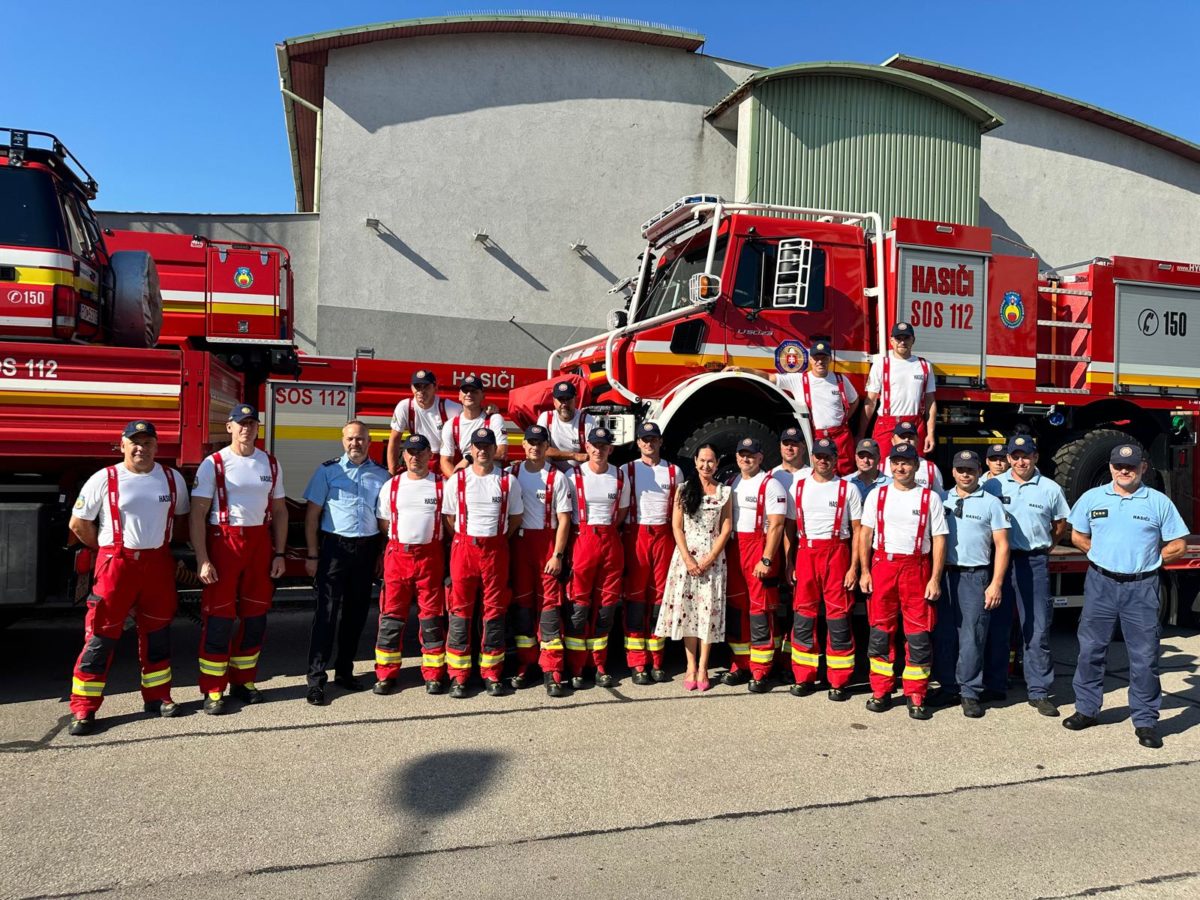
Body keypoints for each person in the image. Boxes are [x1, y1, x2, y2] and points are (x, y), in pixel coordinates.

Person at [65, 421, 190, 736]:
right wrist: (108, 550)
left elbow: (182, 522)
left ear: (157, 447)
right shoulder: (104, 479)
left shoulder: (172, 478)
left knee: (157, 632)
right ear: (122, 445)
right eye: (134, 442)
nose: (141, 448)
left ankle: (158, 697)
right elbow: (78, 525)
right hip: (116, 565)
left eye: (147, 442)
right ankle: (84, 709)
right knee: (101, 636)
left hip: (158, 564)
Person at [1064, 443, 1188, 749]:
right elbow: (1077, 534)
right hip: (1100, 583)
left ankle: (1145, 720)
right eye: (1119, 466)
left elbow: (1179, 544)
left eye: (1131, 467)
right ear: (1110, 467)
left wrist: (1152, 560)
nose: (1124, 471)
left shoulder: (1158, 502)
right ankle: (1087, 709)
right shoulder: (1092, 498)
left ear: (1143, 468)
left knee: (1145, 657)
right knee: (1091, 649)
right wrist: (1098, 553)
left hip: (1142, 587)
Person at [190, 404, 287, 714]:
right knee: (219, 620)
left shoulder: (269, 463)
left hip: (260, 545)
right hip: (224, 544)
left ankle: (244, 681)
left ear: (258, 428)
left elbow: (281, 511)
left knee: (255, 618)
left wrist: (281, 553)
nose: (247, 428)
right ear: (229, 427)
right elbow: (197, 514)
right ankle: (213, 689)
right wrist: (202, 559)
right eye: (240, 423)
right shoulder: (214, 464)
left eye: (252, 423)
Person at [857, 441, 948, 720]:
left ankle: (916, 693)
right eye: (896, 462)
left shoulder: (929, 498)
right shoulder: (877, 495)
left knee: (918, 634)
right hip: (883, 565)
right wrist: (864, 571)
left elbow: (939, 539)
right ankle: (881, 690)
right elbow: (865, 534)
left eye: (906, 463)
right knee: (880, 632)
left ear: (916, 466)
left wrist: (934, 578)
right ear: (889, 465)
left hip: (917, 568)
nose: (900, 467)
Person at [302, 421, 389, 705]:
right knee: (325, 615)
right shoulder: (328, 471)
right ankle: (316, 680)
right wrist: (313, 555)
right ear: (343, 441)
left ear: (369, 441)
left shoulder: (382, 476)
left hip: (366, 551)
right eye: (351, 439)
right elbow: (312, 515)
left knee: (356, 615)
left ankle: (344, 671)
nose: (356, 444)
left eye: (361, 439)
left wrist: (379, 554)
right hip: (334, 549)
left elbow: (385, 520)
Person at [986, 435, 1071, 716]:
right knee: (997, 626)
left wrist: (1048, 546)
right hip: (1001, 563)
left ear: (1035, 457)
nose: (1021, 461)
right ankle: (995, 684)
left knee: (1036, 627)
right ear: (1008, 458)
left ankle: (1039, 691)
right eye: (1015, 456)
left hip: (1032, 562)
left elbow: (1060, 525)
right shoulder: (993, 485)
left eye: (1026, 455)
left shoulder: (1050, 488)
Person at [442, 427, 523, 698]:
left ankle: (491, 672)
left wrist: (495, 541)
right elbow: (450, 519)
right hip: (464, 548)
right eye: (477, 446)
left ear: (494, 449)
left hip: (496, 550)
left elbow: (515, 519)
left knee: (494, 612)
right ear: (471, 449)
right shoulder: (458, 479)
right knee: (460, 611)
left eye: (487, 446)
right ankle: (459, 675)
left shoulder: (507, 481)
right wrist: (468, 541)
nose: (482, 450)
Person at [930, 450, 1010, 718]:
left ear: (979, 472)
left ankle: (970, 691)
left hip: (975, 576)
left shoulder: (991, 503)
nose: (966, 474)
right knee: (944, 634)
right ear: (952, 471)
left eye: (971, 470)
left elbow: (1002, 545)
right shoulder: (941, 499)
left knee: (972, 636)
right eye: (960, 469)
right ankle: (948, 686)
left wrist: (996, 583)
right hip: (944, 575)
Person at [787, 437, 862, 701]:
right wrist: (789, 562)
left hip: (837, 553)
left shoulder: (847, 489)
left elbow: (858, 531)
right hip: (806, 552)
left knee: (838, 617)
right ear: (813, 458)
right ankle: (803, 677)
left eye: (828, 456)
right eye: (818, 456)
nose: (823, 460)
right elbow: (789, 528)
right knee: (804, 617)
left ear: (835, 458)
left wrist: (854, 567)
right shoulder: (799, 487)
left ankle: (839, 680)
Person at [374, 433, 448, 696]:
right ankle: (385, 674)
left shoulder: (442, 485)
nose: (415, 457)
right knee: (392, 617)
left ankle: (434, 674)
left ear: (430, 455)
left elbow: (450, 522)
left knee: (431, 618)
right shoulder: (391, 486)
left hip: (431, 557)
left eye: (420, 452)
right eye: (410, 452)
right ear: (403, 455)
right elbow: (384, 523)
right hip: (398, 556)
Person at [656, 444, 733, 691]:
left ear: (717, 464)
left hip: (713, 560)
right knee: (689, 612)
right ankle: (690, 665)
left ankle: (703, 667)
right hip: (686, 559)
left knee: (707, 614)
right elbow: (677, 526)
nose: (706, 466)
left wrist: (710, 558)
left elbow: (726, 528)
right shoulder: (683, 489)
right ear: (696, 461)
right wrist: (688, 558)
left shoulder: (725, 492)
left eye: (711, 461)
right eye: (702, 461)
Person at [508, 424, 574, 697]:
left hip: (547, 545)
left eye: (540, 442)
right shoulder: (512, 473)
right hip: (520, 546)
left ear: (548, 447)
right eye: (530, 442)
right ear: (523, 445)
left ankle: (553, 670)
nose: (535, 447)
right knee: (523, 607)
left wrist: (557, 556)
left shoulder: (557, 478)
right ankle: (527, 664)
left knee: (548, 610)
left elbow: (565, 520)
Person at [565, 426, 630, 688]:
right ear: (587, 447)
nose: (599, 450)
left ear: (610, 449)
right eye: (594, 445)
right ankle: (577, 665)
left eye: (604, 446)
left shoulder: (619, 476)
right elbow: (564, 514)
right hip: (583, 538)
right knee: (579, 605)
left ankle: (599, 664)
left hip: (610, 540)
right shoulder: (572, 476)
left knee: (605, 607)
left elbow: (622, 512)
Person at [725, 436, 788, 692]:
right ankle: (740, 663)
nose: (745, 458)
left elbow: (777, 525)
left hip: (758, 550)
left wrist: (767, 558)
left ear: (761, 457)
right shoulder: (733, 482)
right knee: (737, 609)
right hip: (734, 548)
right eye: (742, 454)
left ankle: (762, 669)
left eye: (751, 454)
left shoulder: (771, 485)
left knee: (760, 611)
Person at [622, 422, 679, 685]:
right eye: (644, 440)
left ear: (660, 442)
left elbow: (678, 511)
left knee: (659, 598)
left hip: (664, 535)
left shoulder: (674, 471)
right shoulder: (627, 470)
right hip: (637, 535)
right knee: (635, 598)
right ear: (638, 443)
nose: (649, 444)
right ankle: (637, 662)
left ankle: (657, 660)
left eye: (653, 439)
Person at [776, 341, 860, 475]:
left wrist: (845, 419)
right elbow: (769, 377)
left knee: (846, 474)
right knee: (821, 474)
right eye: (816, 358)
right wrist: (743, 370)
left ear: (830, 359)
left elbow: (854, 401)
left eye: (824, 358)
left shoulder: (840, 379)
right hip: (817, 436)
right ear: (810, 360)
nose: (820, 362)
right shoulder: (798, 380)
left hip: (841, 437)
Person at [767, 425, 810, 679]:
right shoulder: (771, 476)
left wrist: (792, 558)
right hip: (776, 544)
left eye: (794, 443)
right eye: (785, 443)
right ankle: (771, 657)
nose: (789, 447)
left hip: (801, 545)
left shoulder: (811, 474)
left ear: (803, 447)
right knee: (774, 605)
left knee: (798, 607)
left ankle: (791, 661)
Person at [862, 322, 937, 455]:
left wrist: (930, 433)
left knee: (914, 468)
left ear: (913, 340)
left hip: (915, 424)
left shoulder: (925, 365)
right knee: (883, 468)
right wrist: (860, 433)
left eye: (906, 338)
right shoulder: (881, 364)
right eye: (898, 338)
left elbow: (930, 401)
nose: (902, 342)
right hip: (887, 424)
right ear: (891, 341)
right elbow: (871, 401)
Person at [387, 368, 461, 474]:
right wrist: (392, 471)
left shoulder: (449, 407)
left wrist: (489, 410)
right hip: (422, 459)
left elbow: (473, 418)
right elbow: (394, 440)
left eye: (426, 386)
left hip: (447, 459)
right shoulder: (405, 407)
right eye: (417, 387)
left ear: (435, 387)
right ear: (412, 388)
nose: (421, 391)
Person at [439, 375, 507, 478]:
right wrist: (456, 481)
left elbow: (501, 453)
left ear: (483, 396)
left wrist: (469, 457)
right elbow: (445, 461)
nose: (469, 394)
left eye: (474, 391)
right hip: (467, 479)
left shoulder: (494, 419)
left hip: (492, 476)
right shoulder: (451, 425)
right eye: (465, 391)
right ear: (459, 396)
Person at [539, 380, 595, 469]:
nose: (564, 404)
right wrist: (574, 456)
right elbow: (542, 449)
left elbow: (594, 452)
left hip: (579, 475)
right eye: (561, 399)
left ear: (575, 399)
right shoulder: (546, 418)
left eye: (568, 399)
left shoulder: (587, 420)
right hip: (552, 474)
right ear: (554, 401)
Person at [891, 420, 944, 495]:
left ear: (918, 440)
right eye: (902, 437)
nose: (906, 440)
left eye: (910, 437)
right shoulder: (881, 466)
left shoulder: (931, 468)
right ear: (892, 440)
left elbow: (940, 497)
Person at [848, 438, 890, 503]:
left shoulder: (890, 484)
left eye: (870, 456)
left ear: (878, 459)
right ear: (856, 458)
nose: (865, 461)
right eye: (861, 456)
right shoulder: (846, 482)